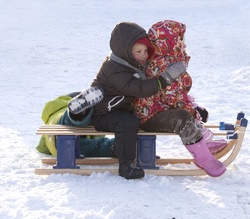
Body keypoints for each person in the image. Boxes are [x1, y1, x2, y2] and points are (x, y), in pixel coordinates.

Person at [69, 21, 187, 180]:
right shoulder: (113, 68)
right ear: (124, 51)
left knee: (137, 117)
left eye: (146, 50)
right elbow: (138, 88)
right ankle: (126, 166)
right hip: (103, 113)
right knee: (127, 122)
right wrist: (164, 79)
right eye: (138, 51)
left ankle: (134, 152)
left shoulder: (133, 65)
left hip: (120, 108)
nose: (144, 55)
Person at [132, 20, 226, 177]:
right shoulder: (164, 64)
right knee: (183, 117)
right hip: (149, 116)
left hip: (157, 109)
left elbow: (174, 95)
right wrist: (193, 111)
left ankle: (204, 145)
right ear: (170, 42)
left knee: (187, 111)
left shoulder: (164, 59)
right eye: (181, 40)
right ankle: (202, 157)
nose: (184, 44)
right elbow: (172, 97)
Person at [36, 92, 116, 158]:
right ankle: (121, 145)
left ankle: (116, 146)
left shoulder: (50, 120)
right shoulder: (63, 109)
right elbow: (98, 130)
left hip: (62, 147)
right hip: (65, 125)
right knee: (68, 120)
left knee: (94, 148)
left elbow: (42, 148)